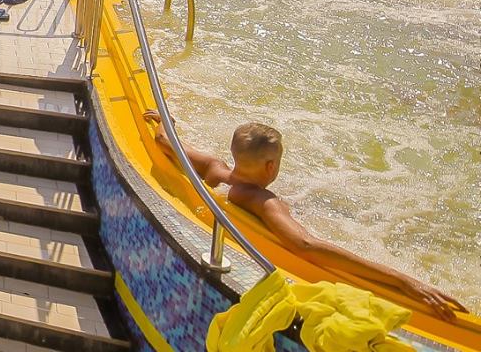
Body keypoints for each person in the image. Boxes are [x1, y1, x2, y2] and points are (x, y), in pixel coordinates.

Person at [143, 110, 467, 319]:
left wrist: (164, 120)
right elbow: (305, 245)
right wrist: (404, 280)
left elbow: (163, 140)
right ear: (271, 166)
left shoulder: (216, 169)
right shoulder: (263, 200)